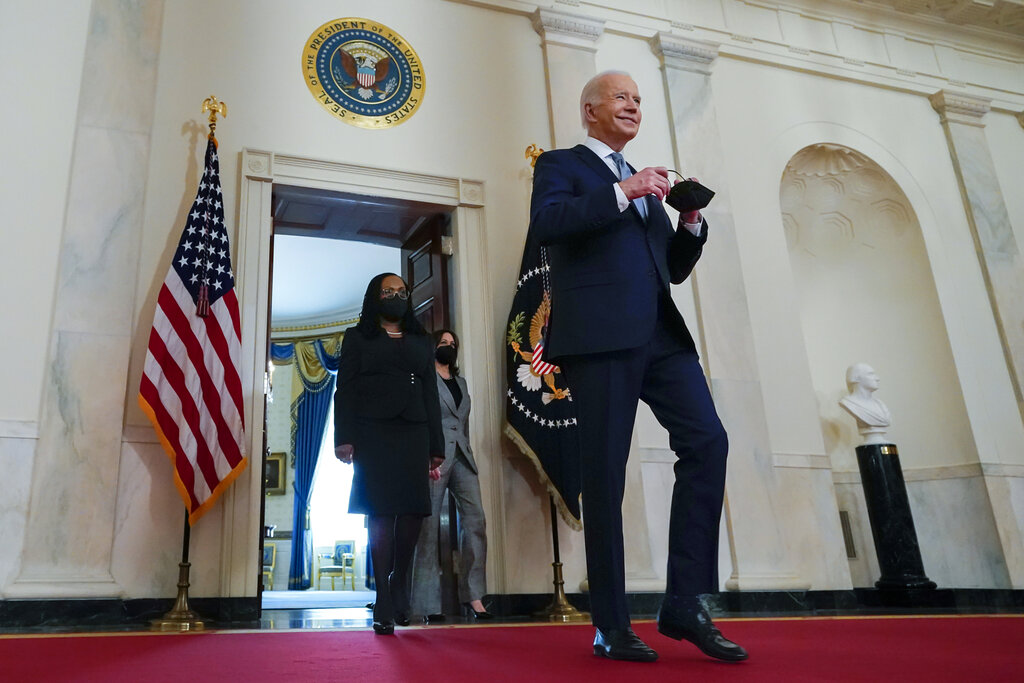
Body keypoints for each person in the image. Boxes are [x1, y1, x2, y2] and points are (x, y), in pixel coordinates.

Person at [526, 70, 747, 663]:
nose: (633, 105)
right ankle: (611, 624)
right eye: (621, 97)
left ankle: (683, 602)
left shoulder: (646, 183)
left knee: (708, 442)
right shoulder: (562, 165)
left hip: (661, 338)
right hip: (598, 341)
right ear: (590, 109)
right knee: (604, 476)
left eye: (639, 99)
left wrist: (691, 222)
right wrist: (625, 193)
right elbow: (547, 225)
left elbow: (669, 269)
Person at [334, 273, 444, 635]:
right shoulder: (357, 337)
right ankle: (383, 594)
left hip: (414, 430)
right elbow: (345, 389)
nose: (396, 297)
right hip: (372, 432)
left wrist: (436, 446)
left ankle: (399, 579)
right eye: (388, 292)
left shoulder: (421, 339)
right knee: (379, 512)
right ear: (374, 297)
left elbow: (431, 392)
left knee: (413, 510)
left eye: (401, 292)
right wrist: (344, 437)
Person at [410, 329, 492, 622]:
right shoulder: (423, 379)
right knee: (427, 528)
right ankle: (427, 602)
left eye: (452, 343)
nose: (449, 347)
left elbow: (463, 422)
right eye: (443, 343)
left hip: (463, 457)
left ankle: (474, 596)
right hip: (433, 456)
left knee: (475, 521)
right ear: (433, 347)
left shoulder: (462, 382)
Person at [839, 363, 892, 445]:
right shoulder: (848, 403)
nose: (877, 378)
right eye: (871, 374)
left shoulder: (880, 404)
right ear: (855, 378)